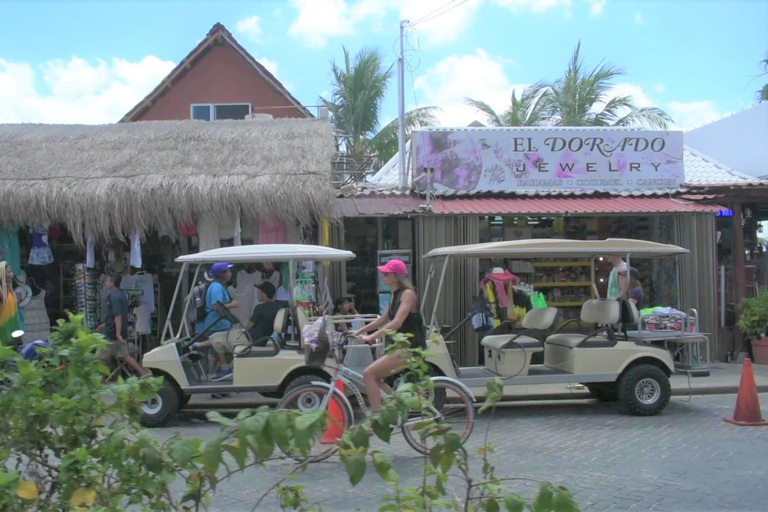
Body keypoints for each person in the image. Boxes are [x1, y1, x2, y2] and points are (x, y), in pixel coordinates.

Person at [352, 259, 425, 412]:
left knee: (369, 373)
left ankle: (377, 417)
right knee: (376, 377)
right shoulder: (394, 295)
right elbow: (383, 319)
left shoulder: (407, 294)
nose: (383, 276)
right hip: (401, 345)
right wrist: (358, 332)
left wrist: (370, 337)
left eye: (386, 273)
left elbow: (397, 322)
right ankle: (401, 406)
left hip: (411, 347)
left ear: (396, 277)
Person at [95, 273, 151, 378]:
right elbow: (115, 316)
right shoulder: (121, 295)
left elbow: (118, 316)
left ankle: (101, 381)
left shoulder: (114, 296)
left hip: (111, 334)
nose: (106, 282)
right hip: (119, 332)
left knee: (100, 358)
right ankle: (143, 373)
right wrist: (105, 324)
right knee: (125, 355)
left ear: (112, 283)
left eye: (108, 281)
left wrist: (117, 334)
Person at [190, 262, 239, 381]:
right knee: (221, 350)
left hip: (221, 323)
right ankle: (215, 375)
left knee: (217, 354)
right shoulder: (216, 287)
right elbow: (217, 306)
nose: (230, 273)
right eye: (228, 271)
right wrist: (232, 304)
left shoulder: (220, 286)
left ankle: (216, 378)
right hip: (216, 324)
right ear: (222, 274)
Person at [0, 261, 22, 345]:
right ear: (2, 275)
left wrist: (18, 301)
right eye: (9, 272)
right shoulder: (1, 293)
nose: (12, 274)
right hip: (3, 334)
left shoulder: (9, 291)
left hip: (13, 332)